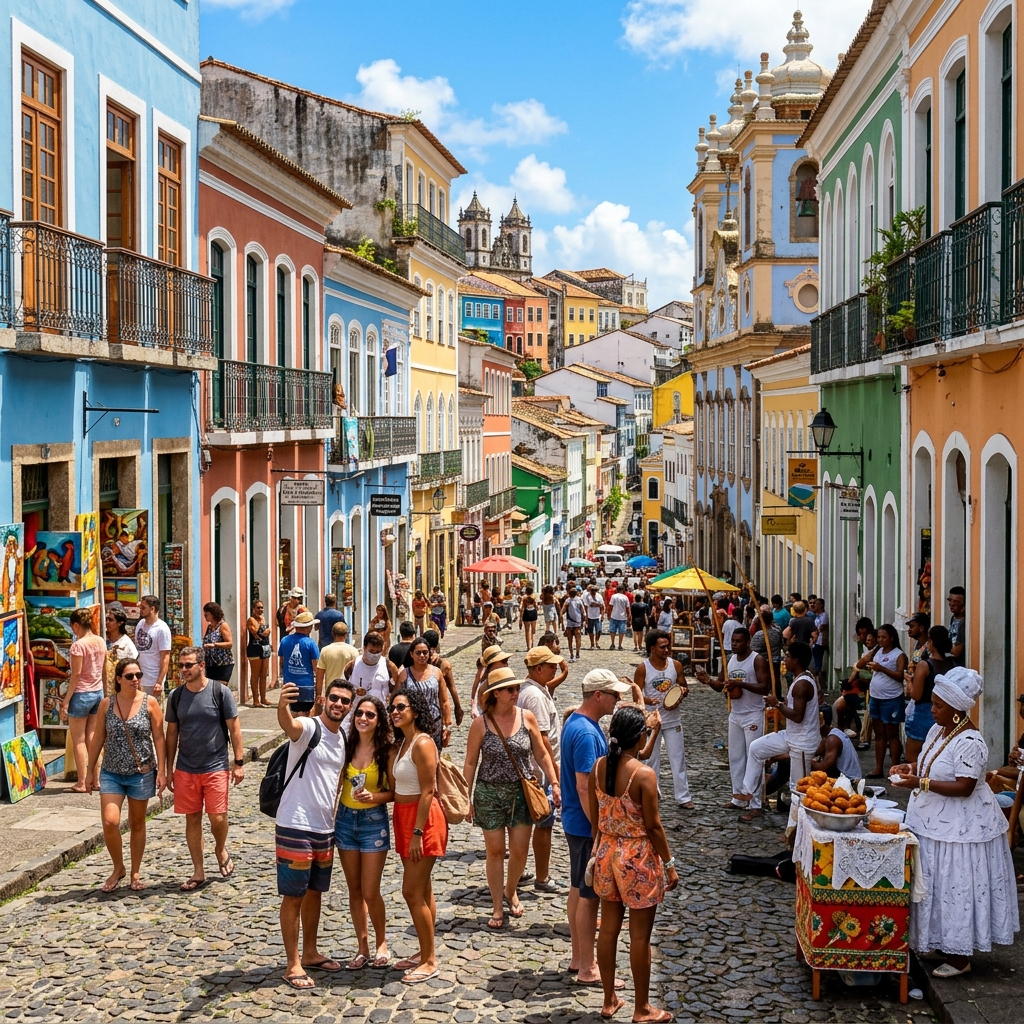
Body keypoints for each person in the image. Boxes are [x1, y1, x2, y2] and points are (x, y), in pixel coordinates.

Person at [892, 667, 1020, 977]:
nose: (932, 709)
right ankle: (941, 942)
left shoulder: (971, 742)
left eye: (938, 706)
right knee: (933, 886)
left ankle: (960, 957)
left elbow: (964, 787)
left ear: (956, 710)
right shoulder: (940, 730)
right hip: (932, 821)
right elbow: (930, 763)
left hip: (960, 829)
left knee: (954, 887)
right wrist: (911, 767)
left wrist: (919, 784)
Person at [589, 705, 678, 1024]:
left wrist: (598, 853)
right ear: (639, 736)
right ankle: (642, 1008)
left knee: (608, 930)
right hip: (637, 859)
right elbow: (654, 827)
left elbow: (596, 818)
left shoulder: (599, 767)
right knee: (640, 936)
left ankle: (609, 998)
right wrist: (669, 864)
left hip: (606, 854)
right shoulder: (643, 774)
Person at [463, 666, 560, 928]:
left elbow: (540, 754)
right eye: (510, 689)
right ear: (495, 694)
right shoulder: (480, 724)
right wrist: (466, 796)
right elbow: (471, 763)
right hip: (489, 793)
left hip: (521, 793)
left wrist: (554, 781)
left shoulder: (527, 717)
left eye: (516, 688)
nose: (516, 692)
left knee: (519, 851)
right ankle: (497, 906)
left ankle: (511, 889)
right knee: (495, 852)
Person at [275, 676, 349, 989]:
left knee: (315, 892)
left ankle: (310, 952)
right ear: (323, 698)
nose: (339, 705)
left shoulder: (344, 736)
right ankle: (292, 963)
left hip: (324, 826)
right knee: (293, 896)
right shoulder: (309, 728)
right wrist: (282, 706)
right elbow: (288, 726)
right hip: (295, 822)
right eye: (334, 698)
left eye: (345, 701)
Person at [561, 669, 633, 986]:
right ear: (598, 696)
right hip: (585, 823)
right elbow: (583, 786)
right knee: (589, 895)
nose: (618, 700)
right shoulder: (588, 734)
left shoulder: (576, 724)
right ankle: (589, 968)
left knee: (579, 888)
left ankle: (579, 958)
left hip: (576, 821)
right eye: (614, 695)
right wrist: (601, 828)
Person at [165, 646, 245, 889]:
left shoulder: (219, 692)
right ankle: (198, 870)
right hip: (187, 767)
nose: (184, 670)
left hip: (216, 765)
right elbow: (171, 735)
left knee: (217, 817)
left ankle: (220, 848)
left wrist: (238, 762)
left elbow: (235, 729)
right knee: (192, 819)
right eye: (181, 665)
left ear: (201, 666)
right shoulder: (176, 696)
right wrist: (169, 769)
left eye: (188, 665)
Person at [85, 658, 166, 892]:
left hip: (141, 772)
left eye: (138, 675)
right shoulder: (106, 704)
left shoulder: (150, 703)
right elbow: (98, 737)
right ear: (118, 679)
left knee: (137, 823)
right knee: (110, 822)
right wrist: (90, 771)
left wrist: (163, 771)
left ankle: (135, 871)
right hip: (112, 771)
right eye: (130, 676)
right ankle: (118, 867)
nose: (135, 680)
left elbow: (159, 738)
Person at [388, 688, 447, 984]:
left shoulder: (422, 743)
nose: (395, 711)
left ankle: (429, 960)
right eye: (392, 707)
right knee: (423, 890)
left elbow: (428, 791)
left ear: (416, 710)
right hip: (404, 817)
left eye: (401, 707)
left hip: (422, 821)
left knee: (410, 891)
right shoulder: (402, 743)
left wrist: (417, 833)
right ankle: (424, 952)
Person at [336, 695, 394, 970]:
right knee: (354, 890)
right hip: (345, 822)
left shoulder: (387, 752)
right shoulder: (346, 747)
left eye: (370, 715)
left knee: (371, 891)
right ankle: (363, 947)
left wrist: (376, 797)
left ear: (379, 720)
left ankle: (381, 943)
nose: (363, 718)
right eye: (360, 713)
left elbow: (395, 792)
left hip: (373, 822)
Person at [736, 641, 819, 820]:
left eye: (787, 656)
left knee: (798, 789)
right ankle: (748, 791)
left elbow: (797, 716)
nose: (784, 659)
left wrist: (778, 704)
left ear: (796, 660)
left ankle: (795, 830)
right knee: (756, 748)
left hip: (803, 742)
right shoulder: (799, 679)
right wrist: (778, 703)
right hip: (791, 736)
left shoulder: (802, 684)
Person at [696, 627, 771, 811]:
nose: (734, 644)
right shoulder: (729, 660)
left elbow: (764, 687)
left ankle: (755, 802)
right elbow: (721, 686)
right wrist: (708, 680)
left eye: (738, 641)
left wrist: (740, 684)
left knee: (754, 758)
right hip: (735, 714)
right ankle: (738, 797)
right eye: (733, 641)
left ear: (747, 642)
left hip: (753, 713)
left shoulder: (757, 660)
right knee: (736, 756)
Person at [517, 646, 566, 893]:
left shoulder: (535, 689)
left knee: (528, 823)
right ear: (538, 669)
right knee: (544, 823)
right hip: (540, 771)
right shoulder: (534, 696)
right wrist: (555, 771)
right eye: (551, 665)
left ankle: (524, 871)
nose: (555, 668)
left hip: (536, 769)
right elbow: (543, 738)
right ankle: (542, 876)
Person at [636, 629, 694, 810]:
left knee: (678, 759)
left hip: (672, 719)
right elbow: (636, 694)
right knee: (651, 761)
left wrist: (681, 693)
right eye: (662, 647)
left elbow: (683, 686)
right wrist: (647, 700)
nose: (666, 650)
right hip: (652, 721)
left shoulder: (675, 666)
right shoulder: (643, 668)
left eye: (667, 646)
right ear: (652, 648)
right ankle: (653, 794)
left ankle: (683, 797)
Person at [60, 608, 108, 792]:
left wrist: (66, 700)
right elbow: (103, 670)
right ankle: (96, 780)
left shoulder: (78, 646)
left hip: (81, 694)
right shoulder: (100, 641)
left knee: (78, 739)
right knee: (93, 738)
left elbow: (76, 674)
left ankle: (81, 781)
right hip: (97, 692)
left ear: (76, 625)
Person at [858, 623, 908, 778]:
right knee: (879, 734)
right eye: (878, 637)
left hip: (891, 698)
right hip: (876, 698)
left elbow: (900, 676)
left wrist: (882, 669)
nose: (880, 640)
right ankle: (878, 768)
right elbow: (859, 665)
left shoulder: (899, 655)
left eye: (883, 637)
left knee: (892, 734)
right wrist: (869, 657)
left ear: (891, 638)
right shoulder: (877, 652)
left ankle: (894, 769)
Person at [905, 625, 955, 764]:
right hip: (946, 713)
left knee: (913, 757)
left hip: (923, 713)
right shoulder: (951, 664)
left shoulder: (925, 665)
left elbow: (915, 695)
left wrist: (909, 681)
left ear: (931, 642)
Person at [395, 637, 451, 750]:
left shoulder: (437, 672)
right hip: (412, 724)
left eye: (425, 652)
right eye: (418, 653)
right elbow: (395, 699)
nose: (422, 656)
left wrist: (446, 725)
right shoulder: (404, 675)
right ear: (411, 654)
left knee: (434, 759)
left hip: (434, 724)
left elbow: (444, 701)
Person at [834, 617, 875, 734]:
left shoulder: (875, 649)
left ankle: (852, 727)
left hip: (870, 687)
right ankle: (843, 728)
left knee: (848, 698)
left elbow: (860, 666)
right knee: (841, 703)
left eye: (865, 634)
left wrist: (852, 678)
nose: (862, 637)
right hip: (862, 685)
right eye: (860, 634)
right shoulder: (865, 647)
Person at [278, 611, 320, 715]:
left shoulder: (284, 640)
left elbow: (282, 662)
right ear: (309, 627)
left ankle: (291, 731)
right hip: (306, 685)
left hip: (289, 683)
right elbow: (316, 666)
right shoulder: (311, 643)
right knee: (305, 714)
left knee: (292, 712)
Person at [345, 630, 398, 708]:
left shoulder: (389, 666)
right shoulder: (352, 665)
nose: (374, 654)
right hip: (357, 713)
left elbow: (398, 684)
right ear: (365, 648)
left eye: (378, 651)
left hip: (381, 712)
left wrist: (391, 696)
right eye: (371, 651)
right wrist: (354, 692)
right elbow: (343, 688)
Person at [422, 629, 464, 728]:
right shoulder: (444, 665)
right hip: (437, 710)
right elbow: (452, 687)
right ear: (437, 645)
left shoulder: (418, 660)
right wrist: (458, 708)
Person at [810, 704, 862, 779]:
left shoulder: (833, 739)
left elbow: (822, 767)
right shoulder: (833, 733)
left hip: (849, 780)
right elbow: (819, 750)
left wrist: (811, 763)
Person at [134, 595, 172, 698]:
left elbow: (165, 657)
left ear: (152, 609)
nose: (140, 610)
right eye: (140, 607)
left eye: (143, 607)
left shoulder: (162, 629)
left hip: (153, 680)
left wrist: (159, 682)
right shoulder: (140, 624)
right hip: (139, 678)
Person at [315, 621, 359, 706]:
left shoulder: (325, 650)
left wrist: (318, 695)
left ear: (333, 634)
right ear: (346, 635)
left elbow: (319, 675)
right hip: (347, 692)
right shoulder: (353, 651)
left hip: (331, 692)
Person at [245, 599, 273, 707]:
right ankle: (255, 700)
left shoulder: (263, 619)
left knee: (264, 674)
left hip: (265, 647)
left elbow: (266, 632)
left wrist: (268, 630)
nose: (260, 610)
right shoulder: (251, 620)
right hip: (254, 648)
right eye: (258, 608)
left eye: (262, 607)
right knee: (255, 675)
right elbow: (255, 631)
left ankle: (263, 698)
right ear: (253, 609)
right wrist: (265, 628)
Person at [202, 602, 235, 685]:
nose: (205, 615)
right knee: (211, 688)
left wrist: (214, 645)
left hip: (223, 663)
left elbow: (229, 644)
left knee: (220, 688)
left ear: (213, 613)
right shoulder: (209, 627)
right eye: (204, 613)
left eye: (207, 613)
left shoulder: (223, 625)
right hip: (211, 664)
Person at [810, 597, 829, 688]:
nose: (814, 605)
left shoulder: (824, 616)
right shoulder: (817, 616)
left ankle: (820, 686)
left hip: (820, 642)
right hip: (816, 641)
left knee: (818, 664)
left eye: (816, 604)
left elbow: (821, 628)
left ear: (821, 605)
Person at [562, 586, 584, 662]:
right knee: (575, 638)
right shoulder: (573, 600)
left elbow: (562, 611)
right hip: (574, 621)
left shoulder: (570, 601)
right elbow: (583, 612)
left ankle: (574, 653)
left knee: (571, 639)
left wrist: (561, 623)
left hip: (572, 622)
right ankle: (575, 652)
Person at [607, 584, 631, 652]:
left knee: (612, 631)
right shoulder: (625, 597)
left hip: (614, 615)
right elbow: (628, 608)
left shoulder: (613, 596)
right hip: (622, 617)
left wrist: (609, 614)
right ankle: (620, 645)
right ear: (623, 590)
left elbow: (610, 606)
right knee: (621, 632)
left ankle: (612, 643)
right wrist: (629, 616)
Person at [947, 586, 966, 666]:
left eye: (956, 602)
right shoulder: (953, 618)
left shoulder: (963, 622)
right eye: (950, 600)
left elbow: (956, 652)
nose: (951, 604)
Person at [630, 589, 651, 654]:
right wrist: (647, 621)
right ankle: (640, 645)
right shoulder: (645, 605)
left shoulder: (633, 605)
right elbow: (646, 613)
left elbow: (631, 613)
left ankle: (635, 646)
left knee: (635, 633)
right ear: (641, 598)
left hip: (634, 619)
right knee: (640, 633)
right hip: (641, 620)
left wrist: (630, 620)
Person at [583, 585, 604, 650]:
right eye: (592, 591)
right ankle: (592, 643)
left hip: (598, 615)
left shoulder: (599, 596)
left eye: (594, 591)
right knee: (590, 630)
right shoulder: (587, 596)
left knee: (599, 630)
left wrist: (602, 614)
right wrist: (585, 615)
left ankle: (597, 641)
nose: (593, 592)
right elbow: (587, 605)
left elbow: (602, 605)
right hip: (590, 615)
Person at [519, 585, 540, 649]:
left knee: (527, 631)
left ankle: (528, 646)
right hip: (533, 612)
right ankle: (532, 643)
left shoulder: (524, 599)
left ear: (526, 592)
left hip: (526, 613)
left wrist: (520, 619)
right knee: (533, 630)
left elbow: (522, 609)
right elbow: (537, 607)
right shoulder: (534, 598)